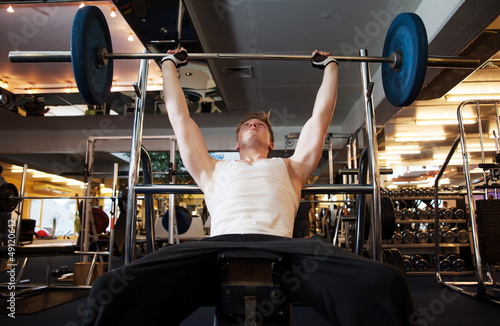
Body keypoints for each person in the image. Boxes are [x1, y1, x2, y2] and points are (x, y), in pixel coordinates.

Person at [82, 49, 415, 325]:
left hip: (287, 252)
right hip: (213, 251)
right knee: (109, 289)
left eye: (260, 125)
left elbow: (321, 118)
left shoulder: (291, 167)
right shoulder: (212, 169)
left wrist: (330, 66)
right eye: (246, 124)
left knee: (386, 283)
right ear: (237, 142)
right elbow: (180, 118)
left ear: (271, 143)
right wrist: (169, 64)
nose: (253, 124)